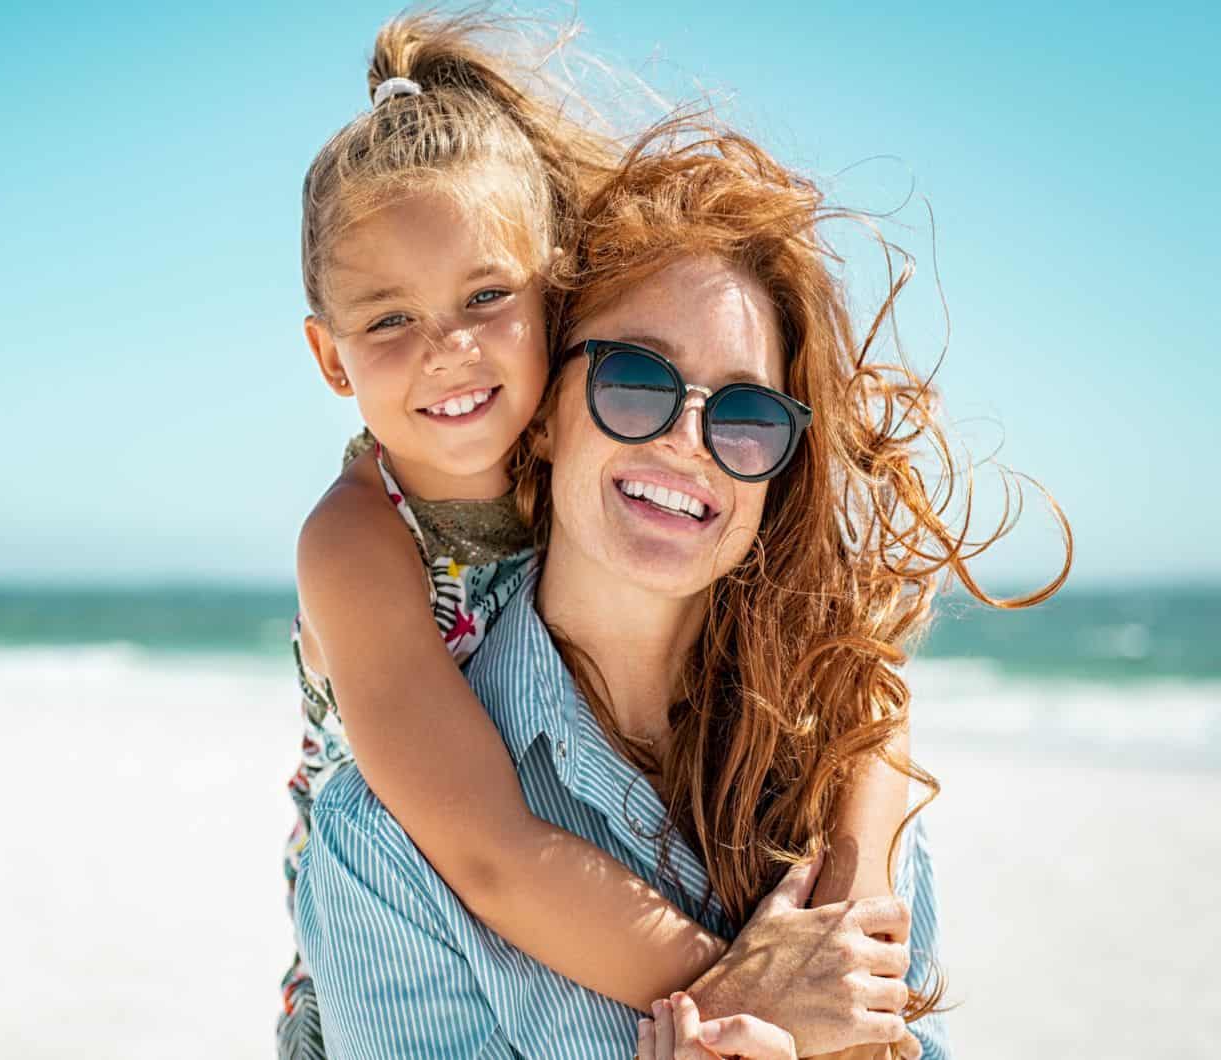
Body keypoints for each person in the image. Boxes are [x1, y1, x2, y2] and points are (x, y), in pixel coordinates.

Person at [293, 91, 1071, 1058]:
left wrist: (857, 889)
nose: (685, 440)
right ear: (552, 406)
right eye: (635, 382)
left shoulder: (826, 771)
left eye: (745, 413)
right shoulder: (384, 834)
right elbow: (488, 853)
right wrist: (751, 1003)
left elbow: (876, 692)